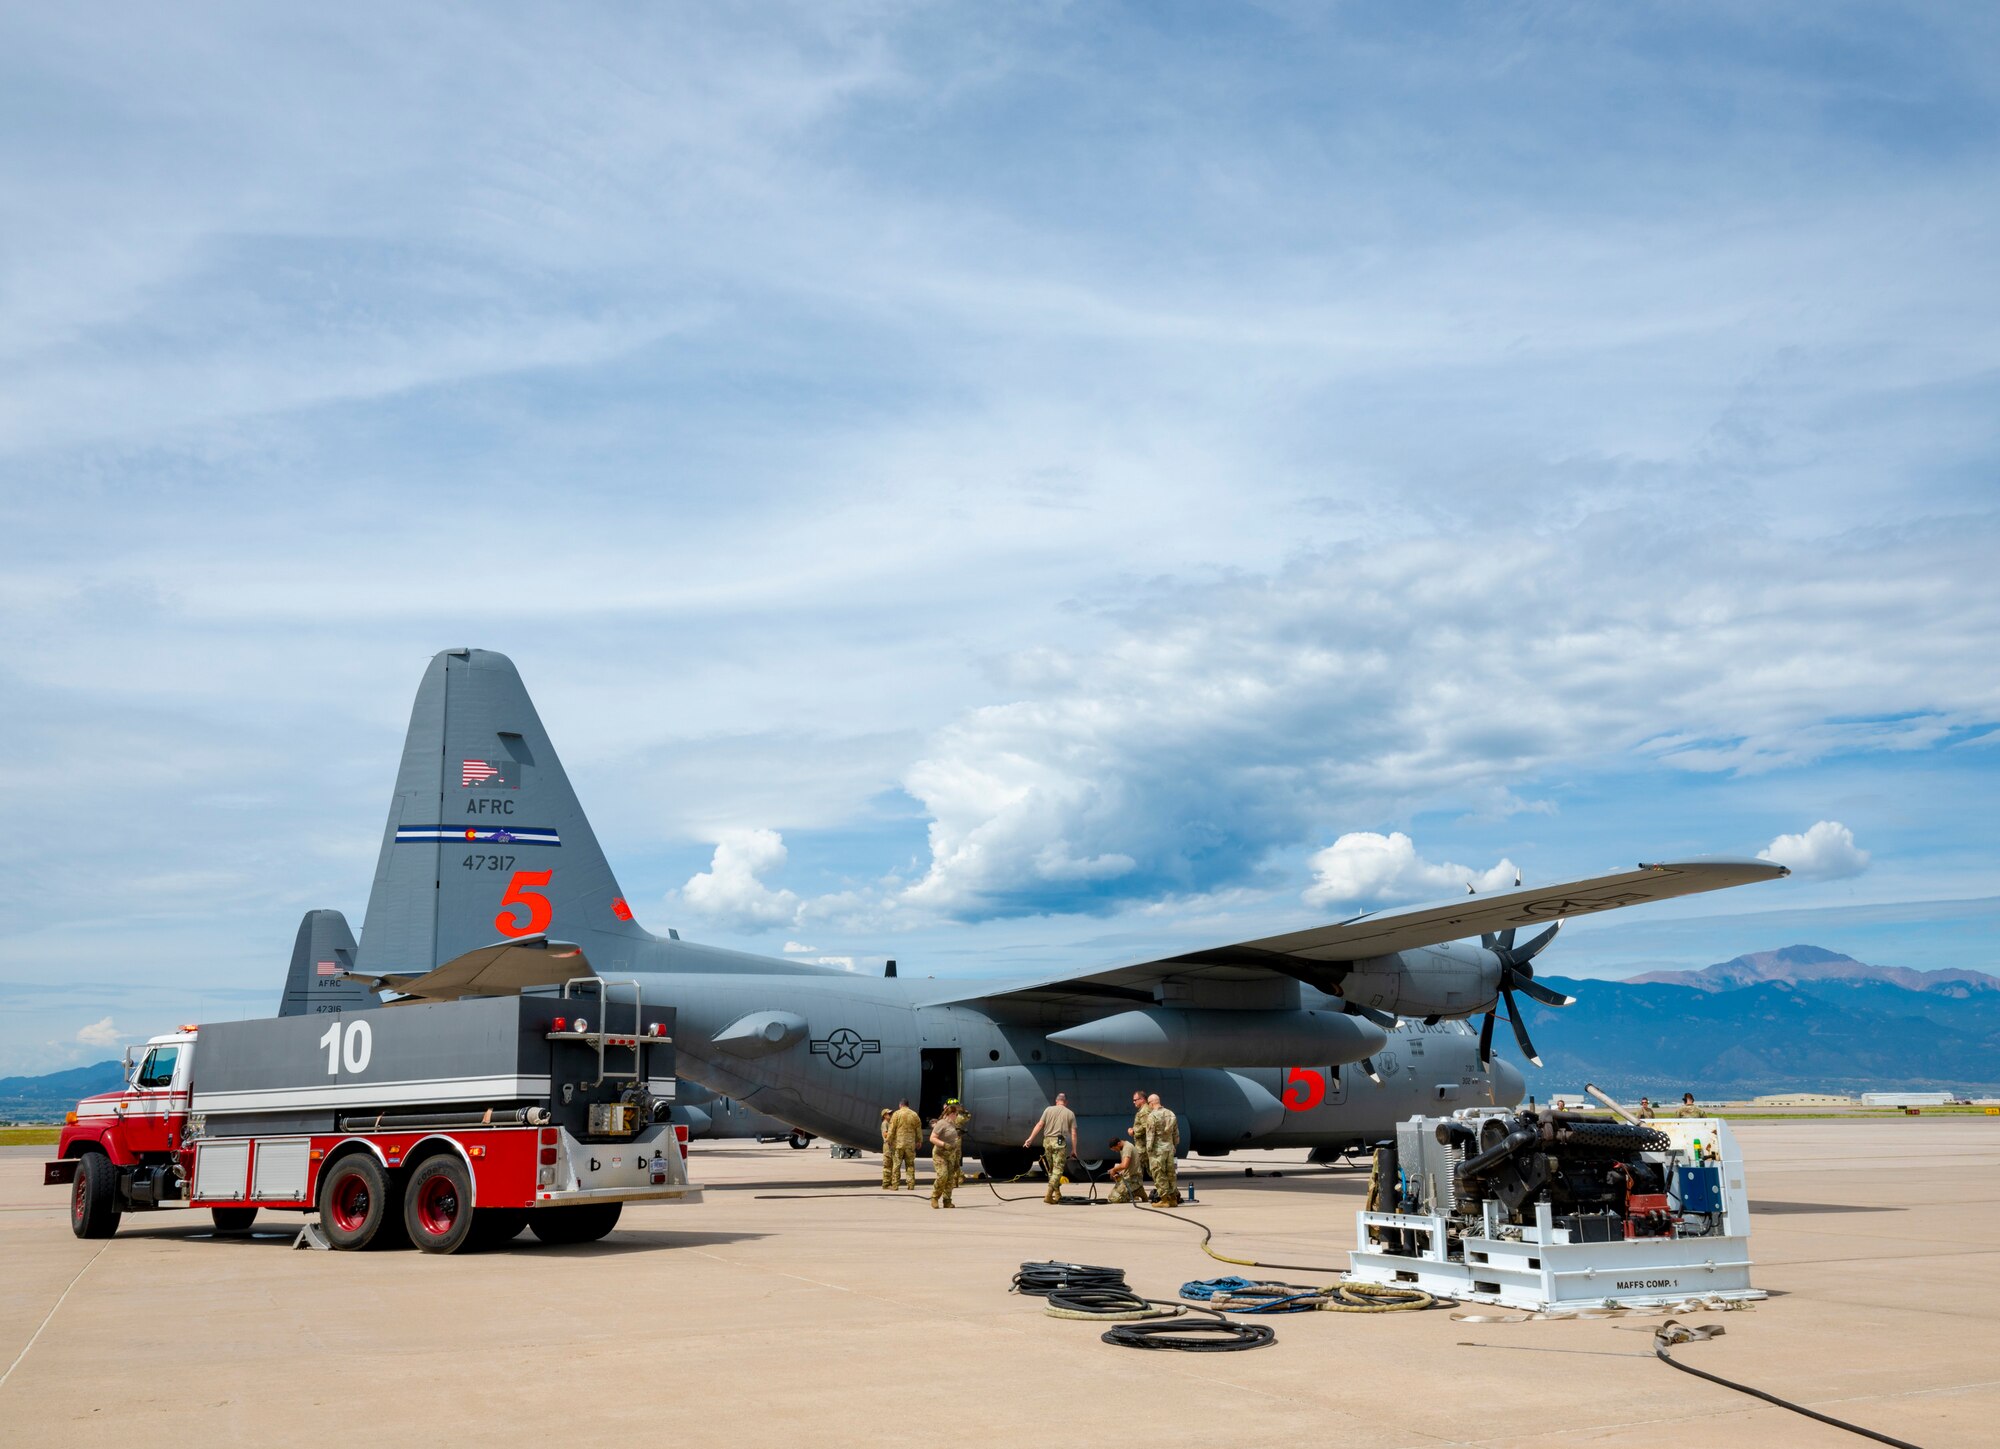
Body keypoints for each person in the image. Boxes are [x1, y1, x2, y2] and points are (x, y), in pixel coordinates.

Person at [1023, 1092, 1079, 1204]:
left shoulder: (1048, 1110)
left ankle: (1057, 1194)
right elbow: (1073, 1133)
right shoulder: (1070, 1113)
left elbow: (1039, 1125)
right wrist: (1074, 1150)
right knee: (1058, 1170)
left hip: (1047, 1141)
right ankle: (1048, 1195)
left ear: (1056, 1101)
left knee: (1052, 1170)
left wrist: (1030, 1139)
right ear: (1066, 1102)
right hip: (1059, 1143)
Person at [1143, 1093, 1180, 1207]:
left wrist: (1148, 1150)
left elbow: (1150, 1135)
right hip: (1169, 1148)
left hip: (1157, 1150)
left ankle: (1164, 1199)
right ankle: (1173, 1198)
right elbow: (1176, 1134)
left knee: (1159, 1173)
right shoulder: (1170, 1114)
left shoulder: (1152, 1116)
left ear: (1152, 1103)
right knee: (1171, 1174)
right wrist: (1173, 1145)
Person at [929, 1104, 964, 1209]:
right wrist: (944, 1144)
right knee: (942, 1176)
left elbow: (951, 1136)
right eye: (956, 1114)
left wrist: (959, 1134)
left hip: (950, 1155)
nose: (957, 1116)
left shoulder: (952, 1124)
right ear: (951, 1114)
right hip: (940, 1154)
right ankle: (935, 1197)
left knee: (950, 1179)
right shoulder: (941, 1123)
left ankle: (947, 1200)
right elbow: (932, 1138)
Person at [886, 1098, 922, 1190]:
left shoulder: (896, 1114)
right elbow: (918, 1129)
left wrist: (888, 1140)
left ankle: (895, 1185)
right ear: (907, 1105)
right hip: (910, 1145)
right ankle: (911, 1184)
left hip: (899, 1144)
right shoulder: (914, 1115)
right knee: (910, 1164)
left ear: (900, 1105)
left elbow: (892, 1129)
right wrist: (919, 1141)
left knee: (896, 1164)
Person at [1107, 1136, 1147, 1205]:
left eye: (1115, 1149)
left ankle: (1137, 1190)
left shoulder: (1127, 1148)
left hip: (1134, 1178)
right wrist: (1120, 1174)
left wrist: (1113, 1170)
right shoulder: (1122, 1148)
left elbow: (1124, 1165)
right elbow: (1126, 1166)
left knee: (1116, 1199)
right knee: (1111, 1197)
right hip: (1128, 1177)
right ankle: (1134, 1191)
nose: (1116, 1151)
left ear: (1119, 1143)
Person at [1129, 1089, 1152, 1191]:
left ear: (1142, 1099)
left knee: (1136, 1169)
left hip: (1143, 1147)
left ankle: (1135, 1190)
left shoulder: (1144, 1111)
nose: (1133, 1102)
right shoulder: (1144, 1110)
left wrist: (1134, 1131)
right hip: (1143, 1146)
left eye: (1135, 1100)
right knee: (1151, 1170)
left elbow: (1146, 1127)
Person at [879, 1108, 896, 1189]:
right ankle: (886, 1184)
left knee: (892, 1165)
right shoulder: (884, 1124)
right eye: (889, 1114)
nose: (891, 1115)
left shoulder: (890, 1123)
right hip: (888, 1146)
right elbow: (885, 1134)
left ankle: (890, 1183)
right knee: (887, 1165)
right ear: (884, 1115)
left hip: (892, 1145)